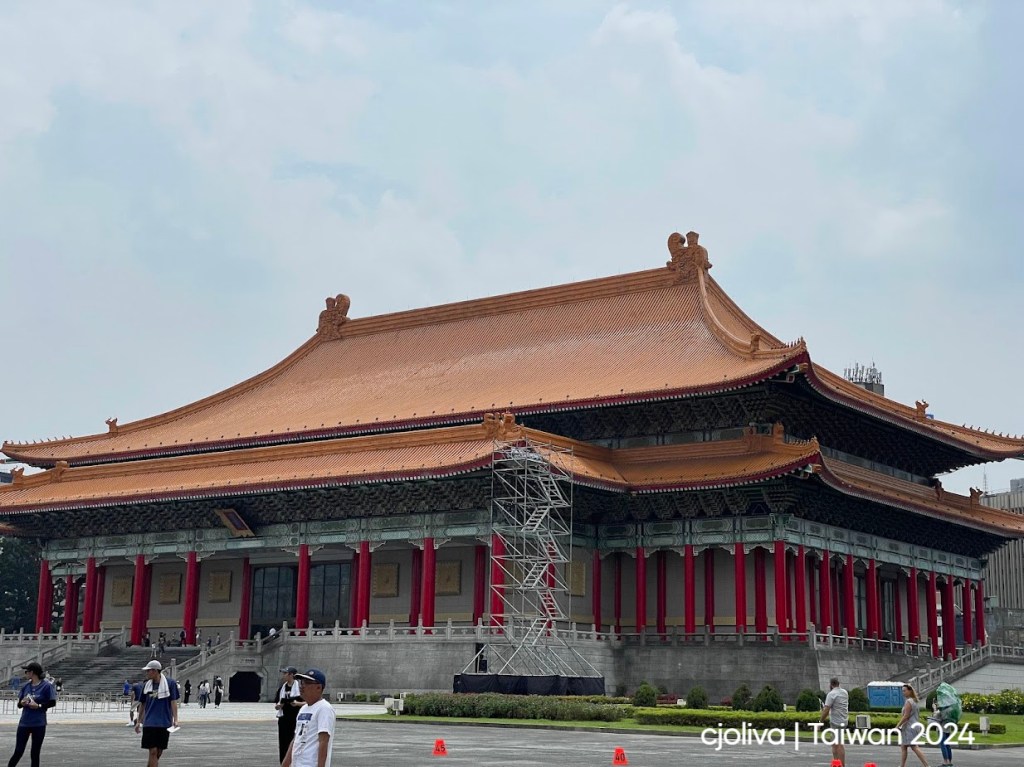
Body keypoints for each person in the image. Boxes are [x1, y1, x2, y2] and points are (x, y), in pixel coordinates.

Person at [7, 661, 56, 767]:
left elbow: (52, 702)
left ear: (32, 672)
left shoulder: (46, 686)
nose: (26, 673)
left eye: (27, 671)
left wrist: (38, 706)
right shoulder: (26, 686)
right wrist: (22, 702)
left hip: (38, 723)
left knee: (35, 753)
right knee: (18, 751)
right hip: (24, 723)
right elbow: (19, 704)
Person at [282, 668, 335, 767]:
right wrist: (285, 764)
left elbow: (323, 741)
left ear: (318, 687)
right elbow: (296, 739)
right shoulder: (303, 709)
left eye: (307, 683)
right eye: (301, 682)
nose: (302, 686)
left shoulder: (324, 708)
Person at [135, 660, 179, 767]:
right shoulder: (146, 686)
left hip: (164, 723)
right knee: (153, 751)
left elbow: (173, 702)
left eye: (148, 671)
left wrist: (176, 719)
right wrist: (138, 721)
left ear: (155, 671)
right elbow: (142, 704)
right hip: (149, 723)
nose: (147, 673)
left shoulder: (170, 684)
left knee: (159, 752)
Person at [896, 684, 929, 767]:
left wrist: (897, 726)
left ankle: (927, 765)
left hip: (909, 727)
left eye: (905, 691)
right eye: (902, 691)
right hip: (913, 725)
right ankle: (902, 765)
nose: (903, 692)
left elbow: (906, 716)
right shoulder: (914, 701)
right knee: (904, 746)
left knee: (914, 747)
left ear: (910, 691)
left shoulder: (909, 702)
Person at [275, 667, 302, 763]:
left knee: (295, 741)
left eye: (285, 673)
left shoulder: (300, 688)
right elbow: (277, 704)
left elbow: (308, 703)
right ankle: (283, 762)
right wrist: (279, 706)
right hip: (284, 718)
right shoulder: (281, 688)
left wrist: (297, 704)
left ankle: (294, 761)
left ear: (291, 675)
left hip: (296, 717)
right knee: (283, 742)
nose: (283, 675)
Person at [821, 676, 849, 767]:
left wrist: (820, 721)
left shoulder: (831, 694)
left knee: (839, 744)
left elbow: (826, 709)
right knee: (834, 744)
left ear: (830, 684)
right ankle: (836, 763)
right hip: (844, 720)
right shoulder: (844, 692)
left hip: (836, 722)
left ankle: (841, 765)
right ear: (838, 683)